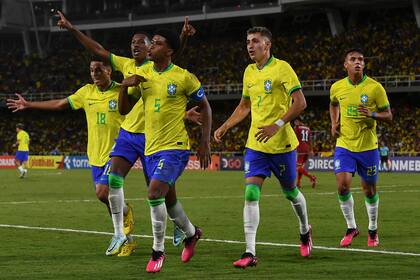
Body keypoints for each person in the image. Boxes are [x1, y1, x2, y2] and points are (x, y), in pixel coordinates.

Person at [56, 12, 199, 256]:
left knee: (160, 193)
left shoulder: (155, 69)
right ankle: (119, 233)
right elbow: (98, 50)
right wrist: (71, 28)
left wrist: (182, 39)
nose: (135, 46)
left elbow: (171, 62)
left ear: (150, 48)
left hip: (154, 138)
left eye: (141, 43)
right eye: (132, 43)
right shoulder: (127, 65)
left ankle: (182, 227)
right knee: (113, 180)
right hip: (128, 133)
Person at [7, 58, 128, 254]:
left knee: (103, 192)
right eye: (91, 70)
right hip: (95, 153)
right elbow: (60, 104)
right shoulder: (86, 92)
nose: (95, 74)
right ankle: (125, 229)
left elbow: (146, 110)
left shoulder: (122, 90)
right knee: (105, 197)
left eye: (99, 69)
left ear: (109, 70)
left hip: (117, 151)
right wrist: (29, 104)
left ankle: (119, 233)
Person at [214, 26, 312, 268]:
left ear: (267, 45)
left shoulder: (283, 68)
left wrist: (277, 125)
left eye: (255, 41)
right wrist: (225, 126)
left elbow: (300, 103)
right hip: (256, 145)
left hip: (282, 145)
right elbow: (244, 106)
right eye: (248, 41)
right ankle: (249, 252)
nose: (250, 45)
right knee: (250, 194)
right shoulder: (248, 72)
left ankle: (304, 229)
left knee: (290, 192)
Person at [122, 29, 212, 273]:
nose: (150, 47)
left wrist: (205, 141)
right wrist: (124, 86)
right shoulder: (142, 74)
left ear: (169, 50)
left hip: (175, 148)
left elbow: (205, 106)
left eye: (157, 43)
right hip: (151, 149)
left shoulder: (184, 78)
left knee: (154, 194)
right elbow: (123, 109)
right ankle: (192, 234)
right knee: (169, 200)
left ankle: (157, 252)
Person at [329, 48, 392, 248]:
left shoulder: (375, 88)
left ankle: (372, 229)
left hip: (367, 147)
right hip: (345, 144)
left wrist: (372, 115)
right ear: (345, 65)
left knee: (369, 190)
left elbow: (389, 116)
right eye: (353, 59)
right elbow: (333, 104)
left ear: (364, 65)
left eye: (361, 60)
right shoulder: (337, 87)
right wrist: (334, 122)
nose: (358, 62)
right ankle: (351, 227)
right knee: (342, 185)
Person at [294, 117, 317, 188]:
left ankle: (312, 177)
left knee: (297, 167)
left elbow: (294, 138)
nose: (295, 123)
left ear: (298, 121)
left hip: (300, 149)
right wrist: (311, 150)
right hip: (307, 149)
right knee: (300, 167)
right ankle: (298, 183)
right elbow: (310, 140)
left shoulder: (297, 128)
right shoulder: (308, 128)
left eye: (296, 121)